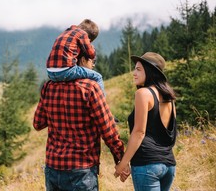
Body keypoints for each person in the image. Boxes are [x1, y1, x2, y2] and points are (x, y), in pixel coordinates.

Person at [34, 51, 125, 191]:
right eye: (92, 61)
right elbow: (108, 130)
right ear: (82, 60)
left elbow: (38, 124)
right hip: (81, 169)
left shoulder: (48, 86)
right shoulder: (90, 87)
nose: (93, 65)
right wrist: (120, 159)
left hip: (53, 167)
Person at [114, 52, 177, 191]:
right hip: (169, 165)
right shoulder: (169, 98)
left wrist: (122, 164)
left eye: (138, 69)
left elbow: (139, 132)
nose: (134, 73)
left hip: (147, 165)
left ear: (150, 71)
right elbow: (171, 134)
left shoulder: (143, 93)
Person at [46, 19, 106, 95]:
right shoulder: (82, 34)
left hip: (50, 72)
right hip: (66, 70)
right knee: (98, 77)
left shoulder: (65, 32)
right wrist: (90, 46)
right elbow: (91, 54)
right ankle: (101, 99)